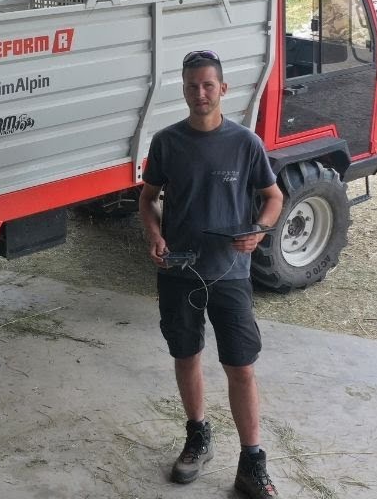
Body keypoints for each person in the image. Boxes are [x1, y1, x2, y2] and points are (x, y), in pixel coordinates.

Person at [139, 49, 285, 498]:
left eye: (207, 85)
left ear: (223, 88)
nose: (199, 93)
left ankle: (252, 462)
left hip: (231, 274)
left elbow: (273, 197)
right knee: (186, 357)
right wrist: (154, 235)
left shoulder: (245, 143)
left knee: (240, 366)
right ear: (183, 90)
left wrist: (259, 231)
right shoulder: (167, 142)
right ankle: (198, 436)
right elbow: (147, 198)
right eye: (191, 85)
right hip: (179, 272)